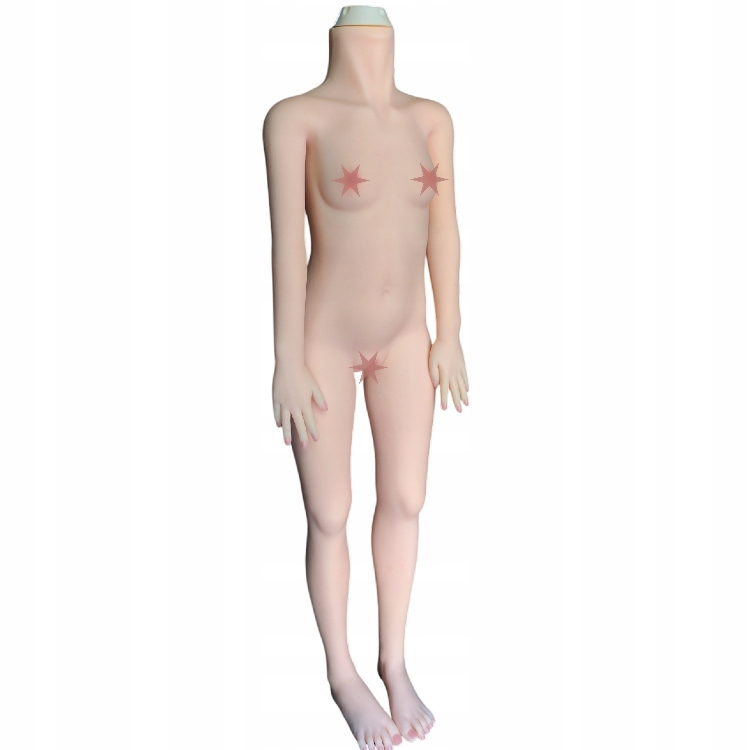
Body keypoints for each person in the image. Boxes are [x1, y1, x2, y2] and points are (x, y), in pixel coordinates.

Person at [262, 7, 469, 749]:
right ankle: (342, 672)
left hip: (407, 336)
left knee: (407, 498)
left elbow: (444, 228)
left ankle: (394, 660)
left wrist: (451, 332)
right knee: (330, 511)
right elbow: (286, 245)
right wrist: (286, 356)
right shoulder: (295, 119)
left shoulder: (431, 119)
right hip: (324, 340)